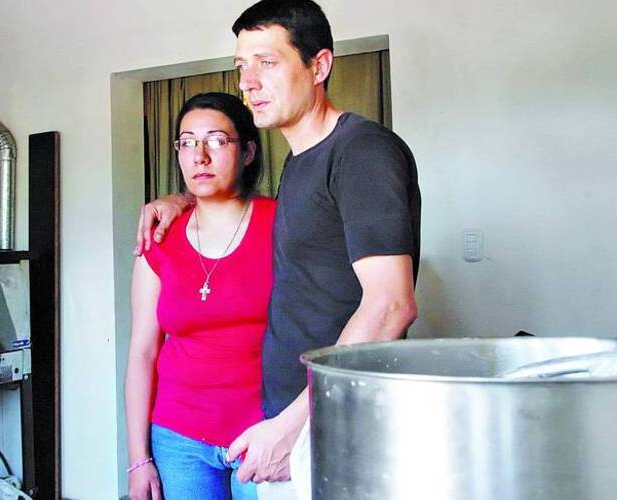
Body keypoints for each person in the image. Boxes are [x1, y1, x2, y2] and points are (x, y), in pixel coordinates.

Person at [134, 1, 421, 497]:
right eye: (242, 66)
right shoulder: (301, 164)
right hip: (289, 423)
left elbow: (391, 304)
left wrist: (289, 426)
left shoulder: (362, 151)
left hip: (325, 424)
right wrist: (180, 199)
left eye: (267, 63)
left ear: (319, 66)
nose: (247, 83)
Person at [125, 92, 276, 500]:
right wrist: (138, 458)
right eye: (188, 142)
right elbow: (142, 352)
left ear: (247, 151)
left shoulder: (281, 223)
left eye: (216, 141)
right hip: (178, 439)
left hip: (263, 434)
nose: (200, 156)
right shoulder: (157, 238)